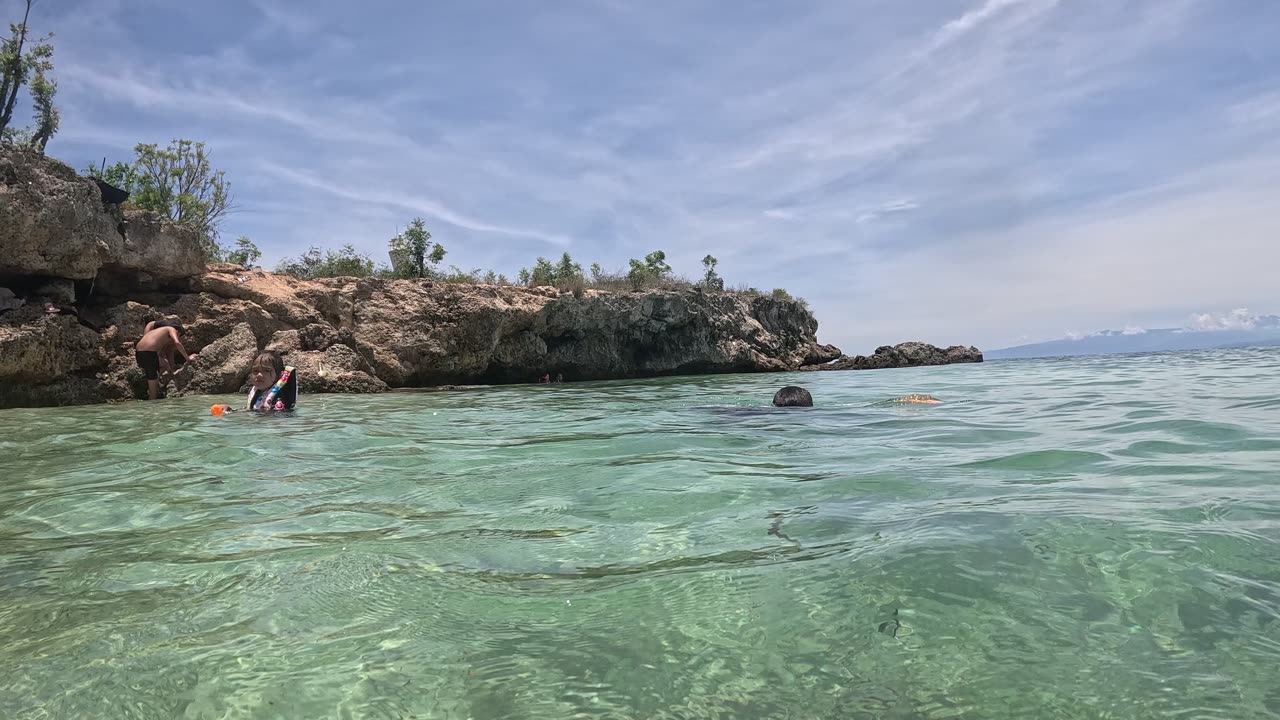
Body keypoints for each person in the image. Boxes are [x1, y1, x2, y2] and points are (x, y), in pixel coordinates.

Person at [136, 319, 196, 400]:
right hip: (149, 354)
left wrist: (171, 370)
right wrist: (188, 358)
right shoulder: (171, 329)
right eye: (179, 335)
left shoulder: (156, 331)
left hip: (139, 353)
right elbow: (177, 342)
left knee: (165, 365)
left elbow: (164, 354)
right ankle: (151, 404)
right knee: (153, 395)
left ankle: (151, 382)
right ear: (178, 331)